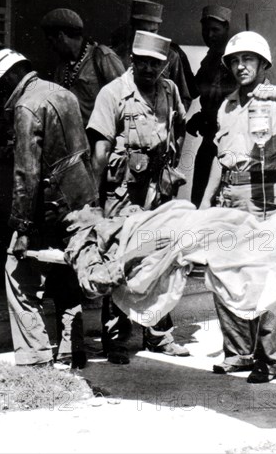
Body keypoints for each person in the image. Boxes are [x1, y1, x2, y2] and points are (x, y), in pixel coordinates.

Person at [200, 31, 276, 383]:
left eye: (248, 60)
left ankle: (269, 359)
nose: (241, 66)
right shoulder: (227, 106)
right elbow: (220, 157)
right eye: (235, 61)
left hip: (267, 194)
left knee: (270, 278)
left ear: (263, 64)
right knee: (225, 273)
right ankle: (238, 352)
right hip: (231, 197)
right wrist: (207, 198)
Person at [0, 48, 99, 368]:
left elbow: (27, 172)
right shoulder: (62, 93)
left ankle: (35, 358)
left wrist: (21, 227)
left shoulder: (26, 105)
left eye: (0, 89)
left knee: (17, 274)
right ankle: (72, 348)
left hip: (47, 206)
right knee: (66, 273)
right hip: (79, 203)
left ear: (9, 78)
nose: (2, 97)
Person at [87, 30, 189, 364]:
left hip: (157, 194)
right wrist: (92, 202)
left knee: (160, 261)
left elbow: (180, 129)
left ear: (164, 65)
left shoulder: (169, 91)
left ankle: (159, 336)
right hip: (122, 196)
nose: (149, 69)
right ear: (132, 59)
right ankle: (116, 339)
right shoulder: (113, 94)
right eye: (143, 62)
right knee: (121, 261)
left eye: (156, 64)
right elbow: (100, 152)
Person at [187, 5, 238, 207]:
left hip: (228, 142)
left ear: (226, 29)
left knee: (222, 202)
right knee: (199, 199)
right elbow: (194, 90)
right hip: (209, 140)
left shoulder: (236, 60)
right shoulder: (210, 60)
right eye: (206, 30)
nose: (209, 35)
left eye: (215, 30)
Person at [40, 8, 125, 127]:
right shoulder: (62, 67)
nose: (50, 47)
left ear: (61, 36)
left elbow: (125, 99)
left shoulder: (102, 57)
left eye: (51, 41)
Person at [113, 0, 196, 111]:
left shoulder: (170, 56)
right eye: (142, 31)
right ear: (132, 27)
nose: (148, 36)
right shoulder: (116, 54)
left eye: (153, 31)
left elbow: (183, 98)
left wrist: (168, 120)